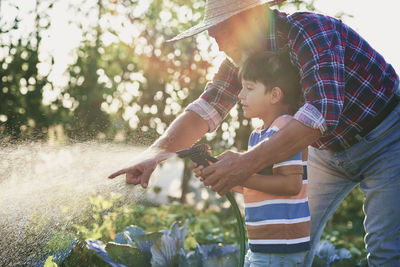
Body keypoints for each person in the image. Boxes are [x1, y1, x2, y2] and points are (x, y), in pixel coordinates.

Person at [109, 0, 400, 266]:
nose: (219, 44)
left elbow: (322, 112)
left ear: (253, 19)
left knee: (386, 251)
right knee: (286, 242)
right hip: (327, 150)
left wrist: (245, 163)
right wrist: (155, 154)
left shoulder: (311, 32)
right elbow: (208, 106)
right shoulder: (243, 60)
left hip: (388, 138)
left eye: (223, 31)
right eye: (213, 34)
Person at [194, 49, 310, 266]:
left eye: (249, 88)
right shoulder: (257, 135)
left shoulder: (285, 129)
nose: (240, 95)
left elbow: (291, 184)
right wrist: (218, 173)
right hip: (262, 245)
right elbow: (255, 187)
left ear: (275, 95)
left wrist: (240, 175)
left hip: (280, 247)